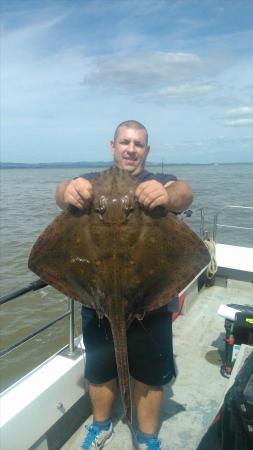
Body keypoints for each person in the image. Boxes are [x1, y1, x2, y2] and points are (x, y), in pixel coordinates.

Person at [56, 120, 193, 450]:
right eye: (125, 142)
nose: (131, 149)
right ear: (112, 146)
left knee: (149, 375)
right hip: (99, 299)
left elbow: (184, 193)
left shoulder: (159, 181)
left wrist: (168, 195)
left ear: (147, 150)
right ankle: (101, 425)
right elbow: (61, 193)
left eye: (139, 143)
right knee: (100, 369)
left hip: (151, 300)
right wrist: (66, 190)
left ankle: (146, 438)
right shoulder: (90, 182)